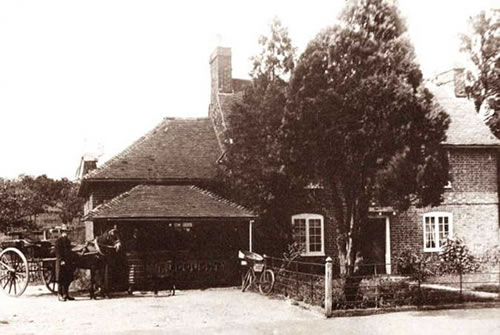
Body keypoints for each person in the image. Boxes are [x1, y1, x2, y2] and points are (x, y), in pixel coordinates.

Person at [54, 224, 76, 301]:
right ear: (61, 233)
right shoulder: (58, 241)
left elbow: (69, 251)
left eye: (66, 232)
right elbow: (58, 252)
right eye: (64, 232)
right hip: (61, 263)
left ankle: (66, 294)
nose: (65, 233)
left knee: (68, 278)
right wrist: (61, 261)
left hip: (68, 262)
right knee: (60, 279)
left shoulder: (67, 241)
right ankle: (59, 294)